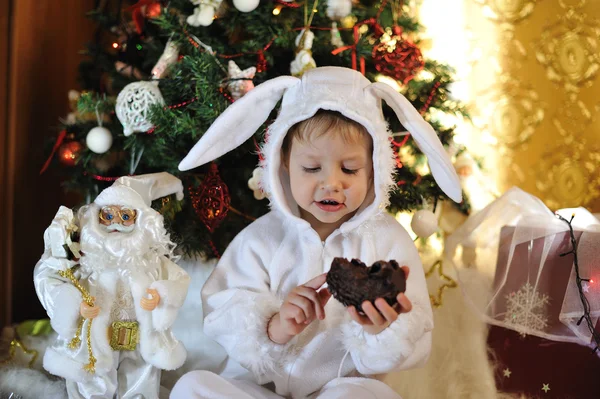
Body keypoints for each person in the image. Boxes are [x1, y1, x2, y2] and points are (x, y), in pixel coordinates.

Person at [171, 67, 462, 399]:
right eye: (311, 168)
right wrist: (276, 326)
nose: (331, 183)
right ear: (282, 164)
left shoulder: (388, 242)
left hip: (343, 388)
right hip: (259, 389)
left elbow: (417, 328)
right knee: (192, 388)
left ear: (375, 167)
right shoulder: (261, 239)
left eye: (350, 169)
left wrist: (384, 331)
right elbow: (226, 307)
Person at [34, 172, 191, 399]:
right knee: (94, 380)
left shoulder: (151, 261)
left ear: (141, 221)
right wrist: (76, 306)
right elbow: (51, 277)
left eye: (125, 216)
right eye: (107, 215)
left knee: (140, 378)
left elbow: (178, 280)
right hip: (97, 337)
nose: (115, 222)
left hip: (138, 338)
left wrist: (161, 296)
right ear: (95, 217)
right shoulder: (87, 258)